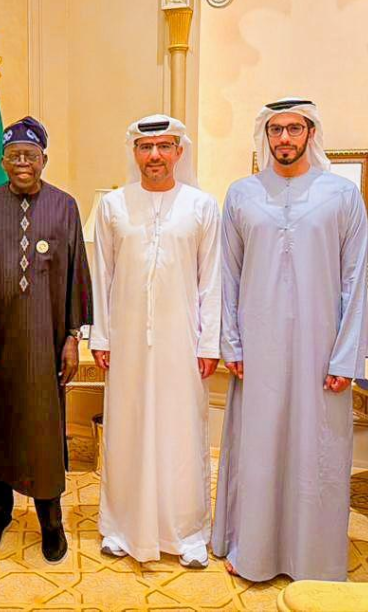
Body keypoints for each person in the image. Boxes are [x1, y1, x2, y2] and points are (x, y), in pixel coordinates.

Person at [210, 98, 368, 581]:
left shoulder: (342, 195)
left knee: (316, 451)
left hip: (321, 352)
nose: (284, 138)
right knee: (258, 449)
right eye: (276, 130)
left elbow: (355, 280)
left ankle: (314, 559)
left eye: (294, 129)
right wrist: (232, 344)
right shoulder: (242, 195)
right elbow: (228, 276)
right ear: (266, 136)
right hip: (257, 349)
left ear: (310, 133)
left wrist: (345, 358)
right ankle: (253, 550)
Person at [89, 114, 220, 568]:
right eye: (146, 147)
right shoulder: (113, 206)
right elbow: (101, 276)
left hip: (183, 342)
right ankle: (121, 527)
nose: (155, 156)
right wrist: (102, 335)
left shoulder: (201, 206)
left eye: (164, 146)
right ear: (135, 153)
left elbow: (211, 281)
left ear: (179, 152)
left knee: (181, 432)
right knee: (127, 429)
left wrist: (209, 344)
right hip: (126, 342)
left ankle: (187, 532)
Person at [0, 116, 92, 563]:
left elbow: (77, 273)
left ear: (44, 160)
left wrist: (73, 336)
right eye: (15, 155)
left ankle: (50, 521)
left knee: (43, 431)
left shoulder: (64, 206)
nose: (23, 162)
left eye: (31, 155)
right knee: (0, 429)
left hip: (45, 343)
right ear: (3, 161)